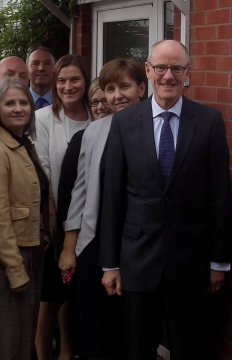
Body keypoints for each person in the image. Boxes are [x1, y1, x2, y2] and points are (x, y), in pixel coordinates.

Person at [100, 40, 232, 360]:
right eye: (161, 68)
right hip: (137, 262)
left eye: (177, 68)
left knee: (190, 349)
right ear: (148, 71)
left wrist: (219, 262)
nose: (168, 76)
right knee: (138, 350)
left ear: (187, 73)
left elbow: (219, 196)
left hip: (190, 264)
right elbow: (113, 197)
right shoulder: (123, 123)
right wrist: (110, 263)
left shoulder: (209, 121)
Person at [57, 59, 146, 360]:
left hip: (137, 246)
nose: (117, 95)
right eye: (110, 89)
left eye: (125, 86)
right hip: (95, 244)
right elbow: (79, 192)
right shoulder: (94, 132)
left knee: (131, 334)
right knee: (94, 333)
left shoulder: (154, 128)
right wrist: (70, 248)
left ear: (142, 88)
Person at [0, 77, 58, 360]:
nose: (18, 108)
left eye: (24, 103)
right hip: (9, 258)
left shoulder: (24, 144)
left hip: (33, 251)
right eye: (10, 103)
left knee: (23, 340)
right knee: (7, 343)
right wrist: (13, 268)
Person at [34, 54, 92, 360]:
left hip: (88, 226)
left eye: (74, 79)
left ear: (85, 80)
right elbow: (42, 173)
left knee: (71, 300)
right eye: (61, 81)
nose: (68, 87)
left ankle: (67, 354)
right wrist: (53, 227)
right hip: (54, 226)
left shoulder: (98, 117)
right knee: (50, 300)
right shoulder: (44, 119)